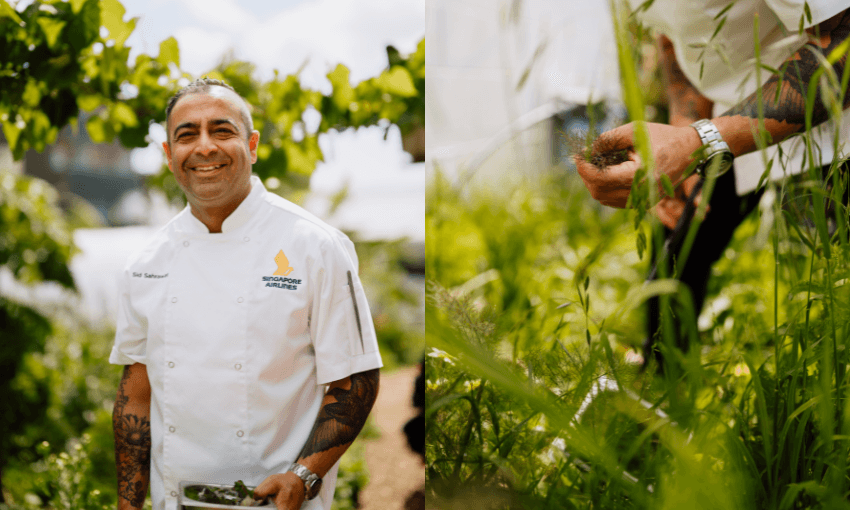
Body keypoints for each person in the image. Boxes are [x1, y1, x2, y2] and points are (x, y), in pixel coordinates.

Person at [110, 78, 383, 510]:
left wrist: (303, 476)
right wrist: (128, 504)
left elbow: (355, 378)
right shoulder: (145, 262)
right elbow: (136, 394)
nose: (204, 147)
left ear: (252, 146)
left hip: (275, 504)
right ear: (168, 155)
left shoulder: (316, 246)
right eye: (186, 135)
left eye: (222, 130)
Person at [575, 1, 850, 364]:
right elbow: (676, 36)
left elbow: (844, 39)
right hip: (736, 110)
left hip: (838, 119)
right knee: (679, 251)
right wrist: (682, 131)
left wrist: (699, 141)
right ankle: (661, 385)